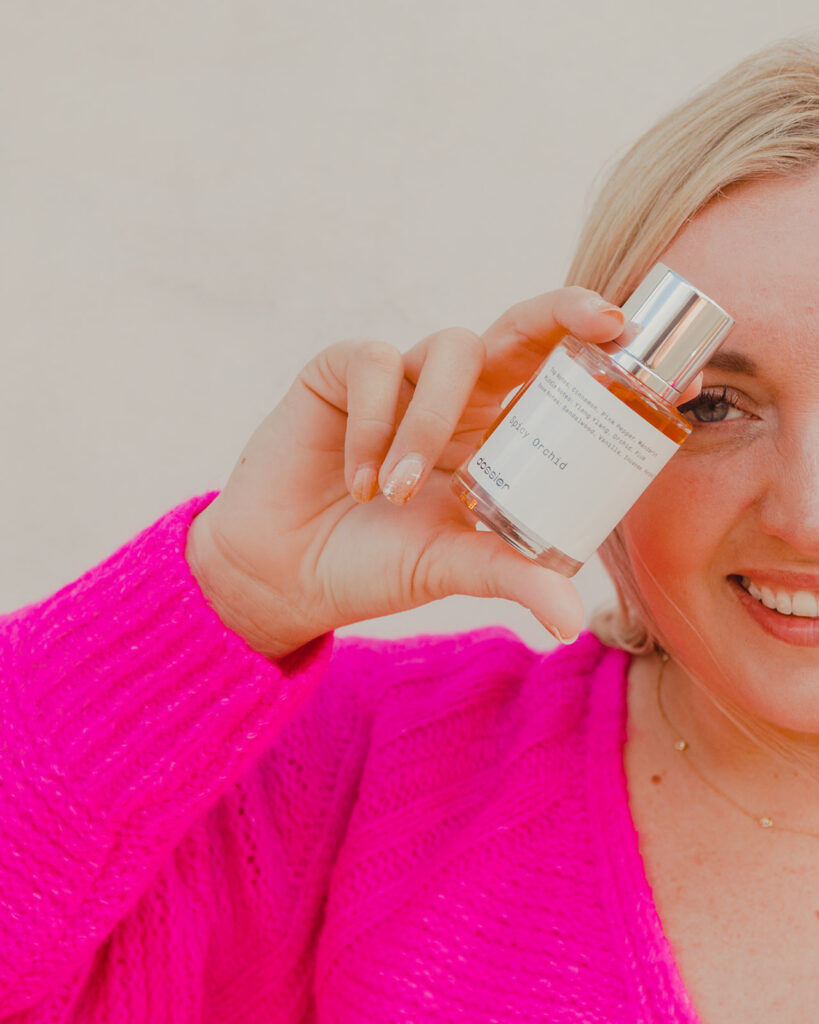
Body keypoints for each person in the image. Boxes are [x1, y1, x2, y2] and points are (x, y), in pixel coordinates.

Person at [1, 34, 818, 1024]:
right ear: (599, 422)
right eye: (711, 406)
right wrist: (229, 591)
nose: (804, 517)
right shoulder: (357, 779)